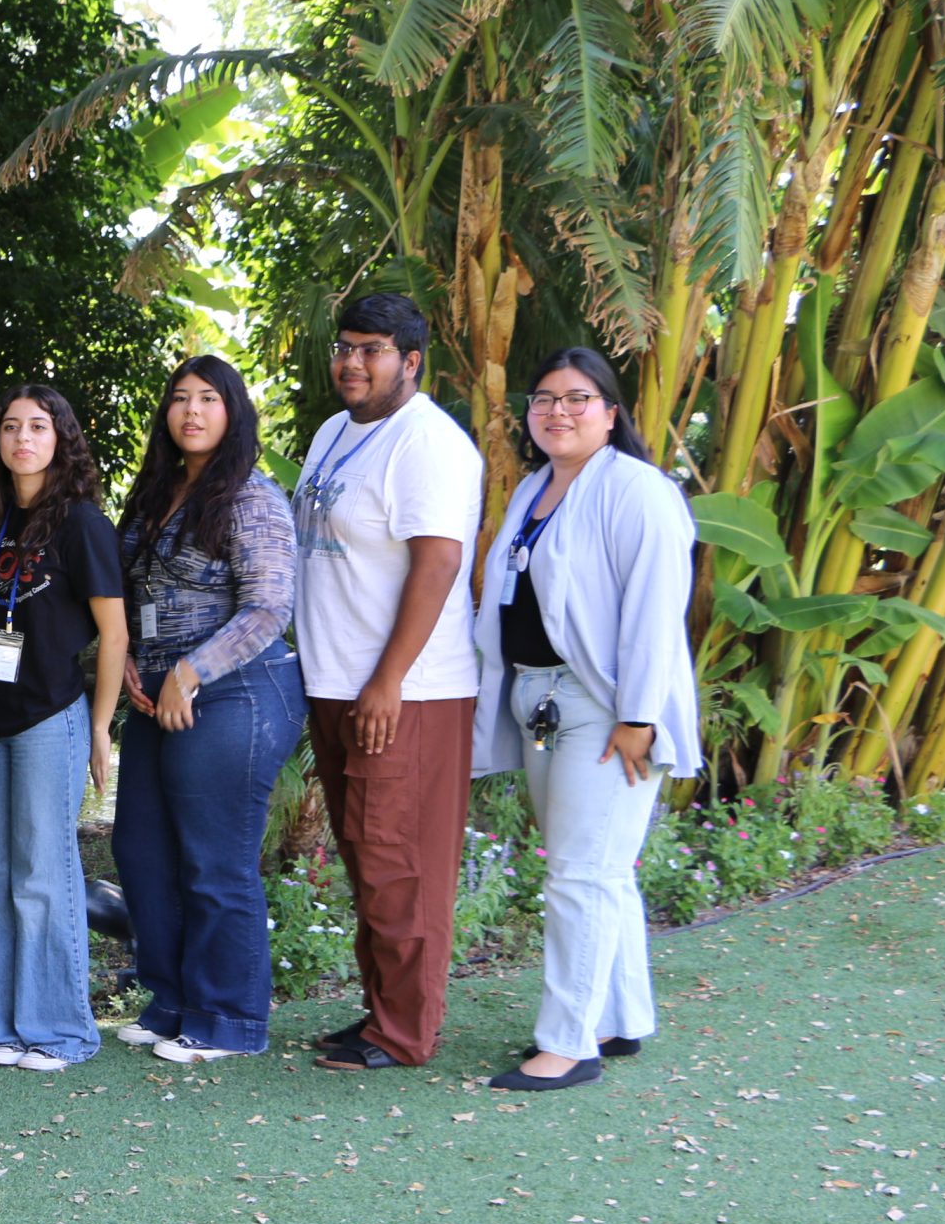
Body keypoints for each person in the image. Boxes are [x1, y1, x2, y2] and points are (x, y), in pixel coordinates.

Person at [473, 348, 697, 1091]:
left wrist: (638, 716)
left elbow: (657, 611)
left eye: (577, 398)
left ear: (610, 411)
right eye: (543, 399)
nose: (557, 412)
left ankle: (568, 1042)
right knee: (596, 870)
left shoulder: (639, 491)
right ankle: (617, 1015)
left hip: (606, 708)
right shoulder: (534, 489)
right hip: (540, 698)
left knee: (579, 874)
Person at [291, 293, 484, 1074]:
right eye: (344, 346)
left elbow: (438, 564)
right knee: (367, 856)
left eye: (372, 349)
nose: (351, 361)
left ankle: (406, 1031)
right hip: (337, 680)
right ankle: (382, 1012)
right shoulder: (335, 432)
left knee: (400, 858)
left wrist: (388, 679)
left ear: (411, 360)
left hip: (407, 690)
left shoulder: (430, 444)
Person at [109, 356, 306, 1065]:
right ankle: (171, 1001)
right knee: (140, 847)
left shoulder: (252, 496)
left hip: (236, 690)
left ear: (232, 411)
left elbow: (268, 607)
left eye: (208, 399)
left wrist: (190, 671)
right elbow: (131, 589)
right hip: (158, 685)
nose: (191, 411)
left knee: (214, 860)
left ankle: (227, 1018)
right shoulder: (158, 489)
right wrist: (127, 654)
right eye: (180, 399)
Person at [0, 384, 127, 1073]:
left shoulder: (82, 523)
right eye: (9, 426)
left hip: (48, 717)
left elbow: (112, 636)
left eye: (37, 425)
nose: (22, 437)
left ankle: (59, 1031)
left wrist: (99, 727)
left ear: (60, 437)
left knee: (42, 874)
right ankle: (6, 1028)